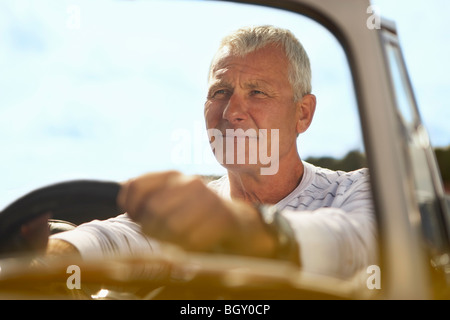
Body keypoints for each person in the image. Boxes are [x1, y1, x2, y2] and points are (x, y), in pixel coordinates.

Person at [47, 25, 378, 279]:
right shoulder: (193, 208)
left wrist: (235, 227)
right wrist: (55, 254)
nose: (232, 111)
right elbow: (122, 235)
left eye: (258, 92)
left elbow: (357, 244)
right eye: (220, 91)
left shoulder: (356, 190)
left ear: (303, 113)